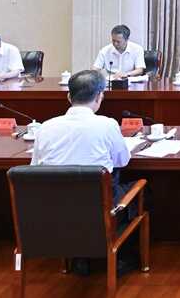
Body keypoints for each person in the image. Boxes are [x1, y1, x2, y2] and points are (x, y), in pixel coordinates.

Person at [30, 69, 139, 275]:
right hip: (100, 207)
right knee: (140, 191)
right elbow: (122, 161)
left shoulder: (45, 128)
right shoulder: (107, 125)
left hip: (56, 209)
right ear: (99, 97)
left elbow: (35, 169)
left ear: (69, 97)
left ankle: (80, 257)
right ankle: (120, 259)